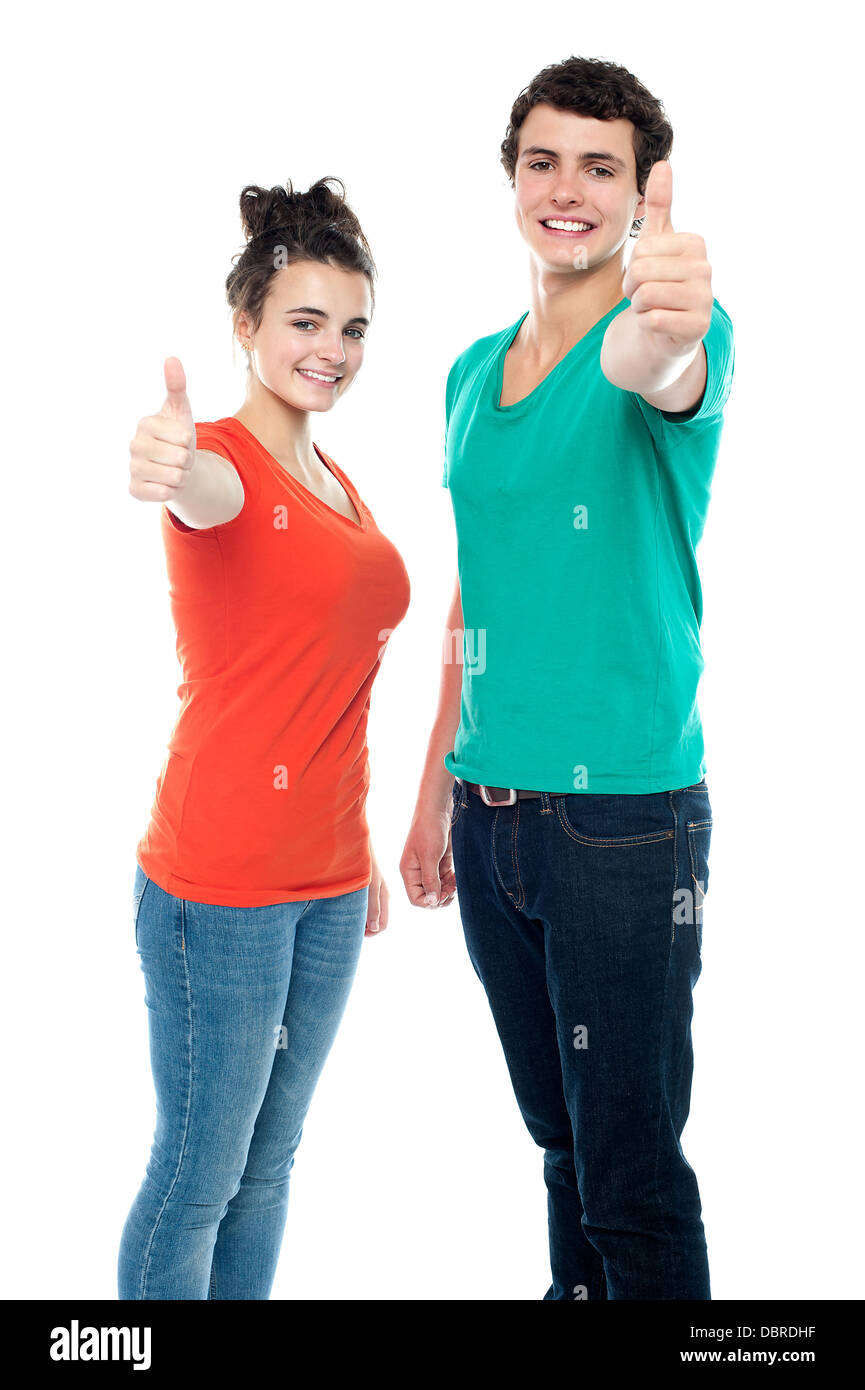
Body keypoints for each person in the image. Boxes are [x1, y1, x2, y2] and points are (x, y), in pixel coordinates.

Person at [401, 55, 734, 1300]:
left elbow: (661, 364)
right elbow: (477, 591)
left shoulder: (667, 329)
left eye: (601, 167)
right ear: (513, 179)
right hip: (495, 821)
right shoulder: (469, 375)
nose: (567, 189)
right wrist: (435, 781)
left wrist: (669, 321)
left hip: (621, 826)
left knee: (631, 1174)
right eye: (543, 160)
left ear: (643, 192)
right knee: (562, 1150)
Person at [119, 178, 410, 1299]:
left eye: (350, 328)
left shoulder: (333, 476)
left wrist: (359, 845)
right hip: (222, 888)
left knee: (268, 1167)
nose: (331, 349)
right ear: (244, 325)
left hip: (330, 885)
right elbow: (188, 483)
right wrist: (165, 458)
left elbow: (321, 681)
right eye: (304, 321)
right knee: (198, 1173)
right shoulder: (227, 465)